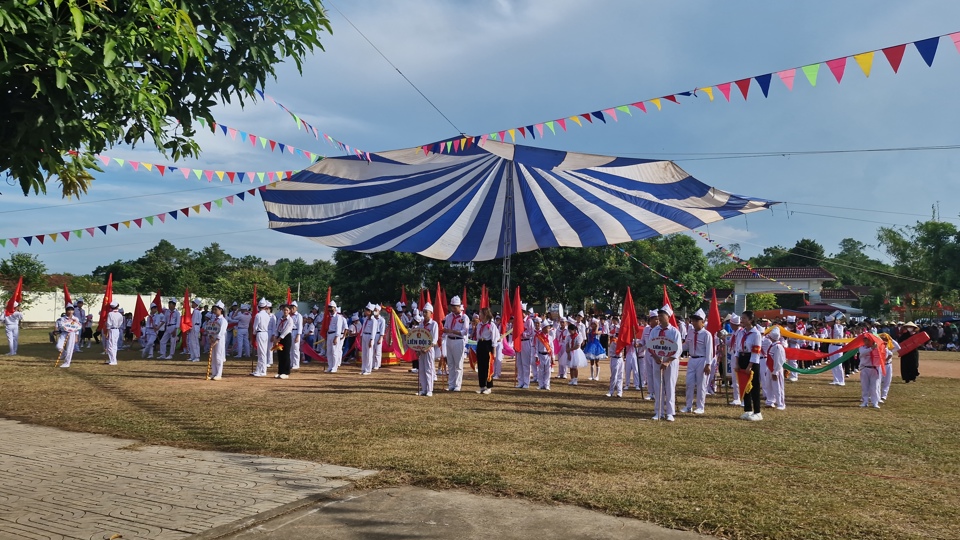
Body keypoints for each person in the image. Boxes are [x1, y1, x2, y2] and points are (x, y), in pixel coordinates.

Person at [646, 305, 682, 421]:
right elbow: (650, 346)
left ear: (668, 317)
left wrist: (667, 361)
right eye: (659, 316)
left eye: (662, 316)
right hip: (657, 361)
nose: (660, 318)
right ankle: (658, 411)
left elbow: (678, 349)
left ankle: (670, 413)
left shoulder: (674, 332)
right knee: (658, 386)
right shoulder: (654, 331)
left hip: (670, 363)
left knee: (670, 386)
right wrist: (656, 357)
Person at [681, 309, 713, 415]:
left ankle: (700, 406)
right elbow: (686, 345)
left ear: (702, 322)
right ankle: (688, 405)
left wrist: (708, 364)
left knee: (701, 384)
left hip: (702, 360)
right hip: (692, 359)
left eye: (696, 320)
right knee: (689, 383)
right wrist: (676, 348)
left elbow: (709, 350)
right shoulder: (690, 332)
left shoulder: (706, 334)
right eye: (693, 320)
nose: (693, 322)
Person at [737, 310, 764, 421]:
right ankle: (748, 409)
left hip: (752, 360)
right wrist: (737, 362)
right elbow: (737, 347)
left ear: (750, 320)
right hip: (742, 358)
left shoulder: (756, 333)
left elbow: (756, 351)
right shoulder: (741, 332)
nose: (742, 320)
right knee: (745, 385)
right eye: (741, 318)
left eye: (744, 318)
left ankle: (757, 411)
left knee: (754, 386)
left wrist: (750, 365)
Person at [443, 295, 470, 392]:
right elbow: (445, 327)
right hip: (449, 339)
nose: (453, 309)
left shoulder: (464, 317)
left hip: (458, 340)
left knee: (458, 364)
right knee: (450, 363)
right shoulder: (449, 316)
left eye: (455, 307)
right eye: (452, 306)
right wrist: (445, 330)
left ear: (459, 306)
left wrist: (454, 331)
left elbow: (465, 331)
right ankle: (451, 384)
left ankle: (458, 385)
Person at [475, 307, 499, 394]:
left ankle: (489, 386)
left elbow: (494, 339)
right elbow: (478, 336)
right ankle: (482, 386)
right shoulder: (479, 325)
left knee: (488, 367)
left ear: (485, 315)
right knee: (481, 367)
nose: (479, 315)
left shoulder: (492, 325)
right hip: (480, 345)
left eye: (480, 313)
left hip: (487, 345)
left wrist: (494, 351)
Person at [417, 303, 440, 396]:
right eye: (423, 312)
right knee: (421, 369)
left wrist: (428, 348)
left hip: (429, 350)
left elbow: (434, 339)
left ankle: (430, 389)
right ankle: (424, 389)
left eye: (426, 312)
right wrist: (417, 349)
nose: (424, 314)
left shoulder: (434, 324)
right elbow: (417, 336)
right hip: (421, 350)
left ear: (431, 313)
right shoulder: (421, 324)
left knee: (429, 369)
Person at [858, 332, 883, 408]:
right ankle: (865, 401)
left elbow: (884, 351)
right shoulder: (862, 347)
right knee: (865, 386)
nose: (865, 342)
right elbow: (862, 353)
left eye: (867, 340)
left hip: (874, 369)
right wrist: (871, 348)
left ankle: (875, 402)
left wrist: (877, 345)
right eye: (864, 340)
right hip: (865, 368)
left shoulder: (877, 348)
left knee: (874, 387)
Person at [764, 326, 786, 410]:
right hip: (770, 368)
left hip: (775, 369)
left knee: (778, 387)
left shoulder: (778, 347)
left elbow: (778, 361)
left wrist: (775, 372)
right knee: (769, 385)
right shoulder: (773, 345)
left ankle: (781, 403)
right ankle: (770, 401)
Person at [324, 301, 347, 373]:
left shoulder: (338, 317)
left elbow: (339, 328)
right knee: (329, 352)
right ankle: (330, 366)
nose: (330, 309)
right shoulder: (328, 317)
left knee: (335, 352)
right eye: (329, 307)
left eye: (331, 307)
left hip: (335, 334)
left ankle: (335, 366)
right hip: (329, 334)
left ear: (335, 308)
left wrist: (336, 337)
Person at [273, 304, 294, 379]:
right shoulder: (280, 319)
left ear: (289, 311)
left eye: (287, 310)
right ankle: (280, 371)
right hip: (279, 336)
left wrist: (278, 339)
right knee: (280, 354)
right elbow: (277, 328)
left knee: (285, 354)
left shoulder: (290, 320)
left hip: (286, 337)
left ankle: (286, 372)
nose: (285, 311)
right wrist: (275, 337)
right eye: (284, 310)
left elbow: (286, 331)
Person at [534, 318, 555, 391]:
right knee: (540, 370)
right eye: (547, 328)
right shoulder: (538, 337)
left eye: (549, 328)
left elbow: (552, 347)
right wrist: (536, 356)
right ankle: (541, 385)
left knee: (548, 371)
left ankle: (547, 385)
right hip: (540, 355)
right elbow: (536, 347)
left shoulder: (550, 337)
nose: (549, 329)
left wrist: (552, 357)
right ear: (543, 328)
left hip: (548, 355)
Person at [360, 303, 378, 375]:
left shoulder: (374, 321)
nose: (365, 312)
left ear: (370, 312)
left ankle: (368, 370)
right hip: (364, 335)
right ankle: (363, 368)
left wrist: (371, 340)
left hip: (369, 336)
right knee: (364, 353)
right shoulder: (365, 319)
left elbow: (374, 331)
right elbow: (363, 328)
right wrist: (361, 336)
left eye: (366, 311)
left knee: (369, 353)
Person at [103, 301, 124, 366]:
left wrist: (107, 332)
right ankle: (112, 359)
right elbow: (120, 323)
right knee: (114, 345)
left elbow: (109, 324)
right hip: (117, 330)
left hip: (112, 330)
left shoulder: (110, 314)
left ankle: (113, 360)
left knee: (110, 346)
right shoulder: (120, 314)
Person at [827, 316, 846, 386]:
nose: (828, 324)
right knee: (833, 363)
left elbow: (840, 335)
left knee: (838, 364)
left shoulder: (840, 327)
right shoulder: (830, 328)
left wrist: (836, 326)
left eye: (829, 322)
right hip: (831, 346)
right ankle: (835, 379)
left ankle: (841, 380)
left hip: (838, 346)